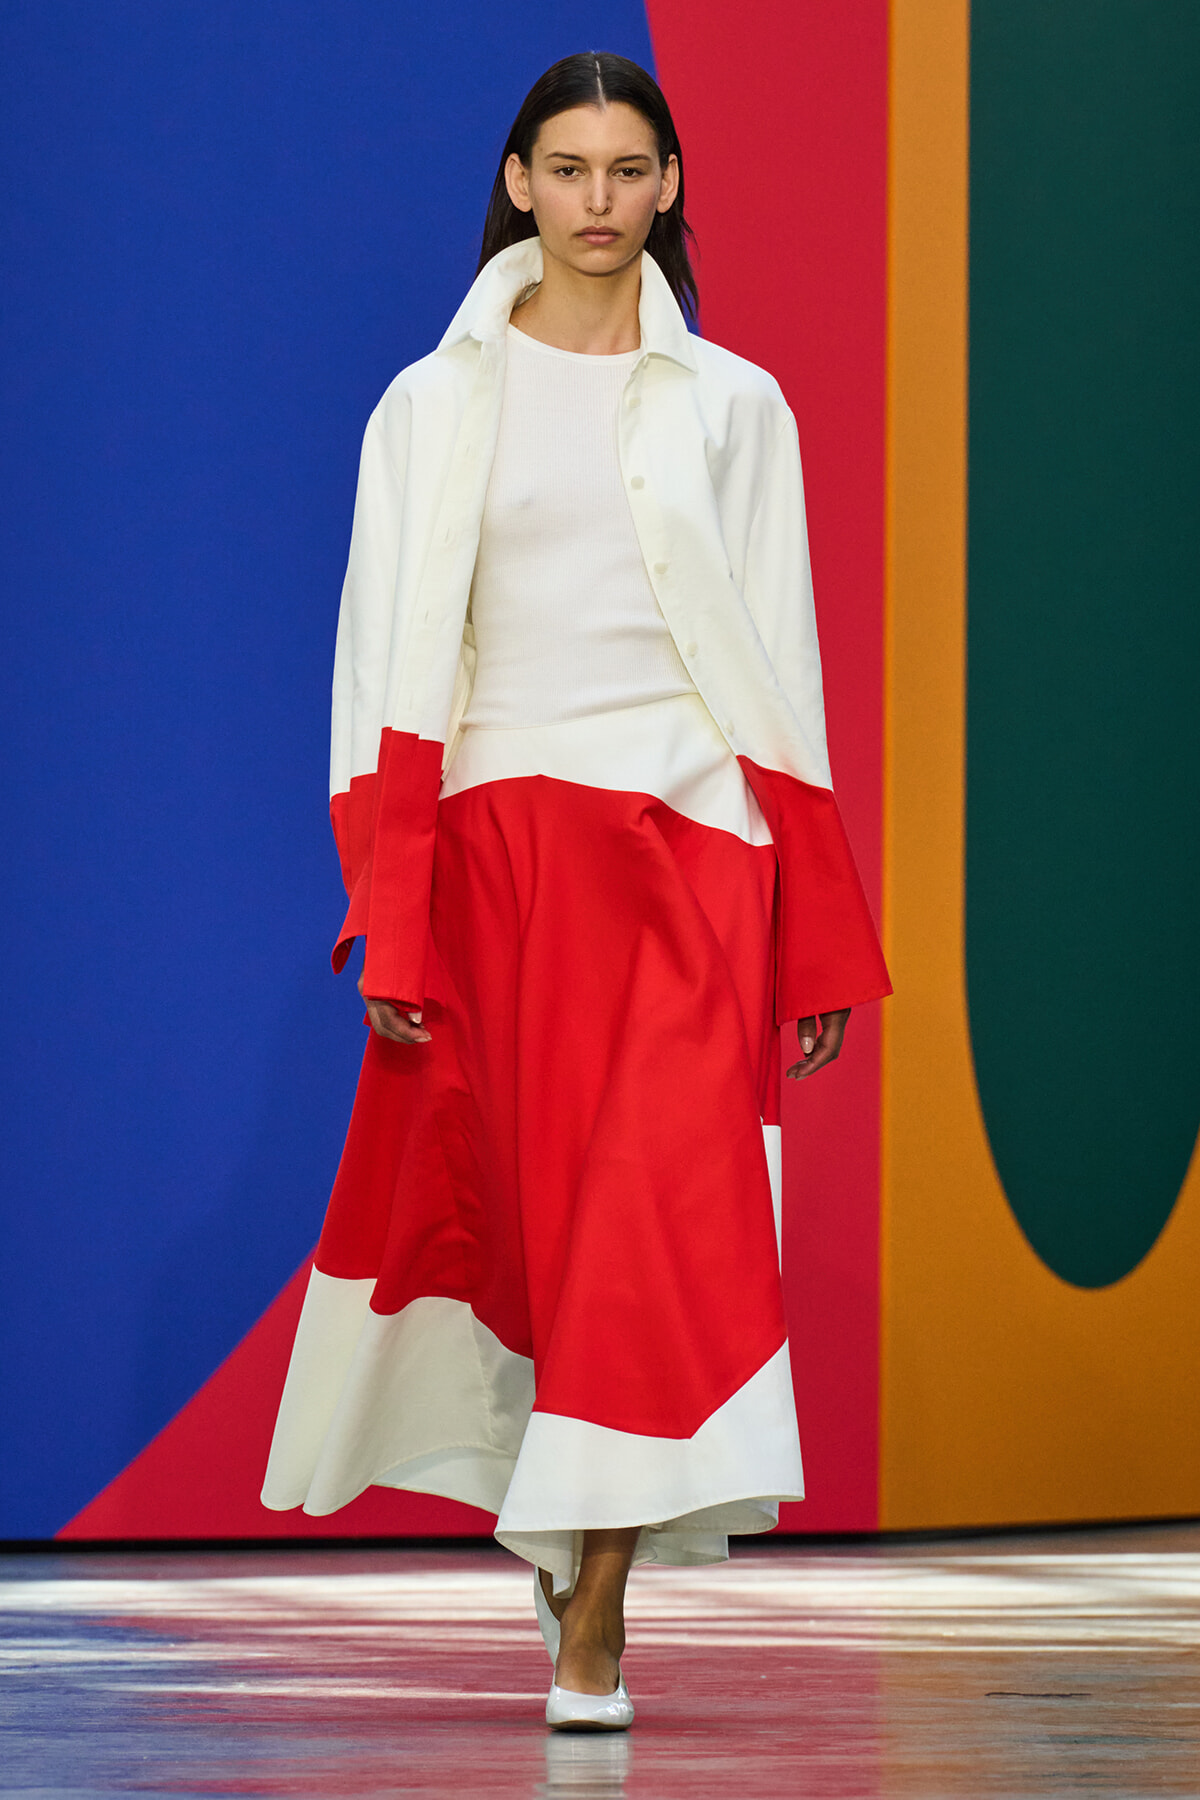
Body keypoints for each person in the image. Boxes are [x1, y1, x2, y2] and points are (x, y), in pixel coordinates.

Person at [261, 50, 890, 1730]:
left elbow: (785, 669)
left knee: (651, 1227)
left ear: (670, 187)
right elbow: (378, 669)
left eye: (630, 170)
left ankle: (597, 1600)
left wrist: (814, 926)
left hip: (690, 848)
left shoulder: (737, 408)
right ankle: (567, 1540)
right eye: (570, 169)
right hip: (499, 857)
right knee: (537, 1245)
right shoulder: (432, 405)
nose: (600, 201)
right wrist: (391, 905)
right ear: (520, 183)